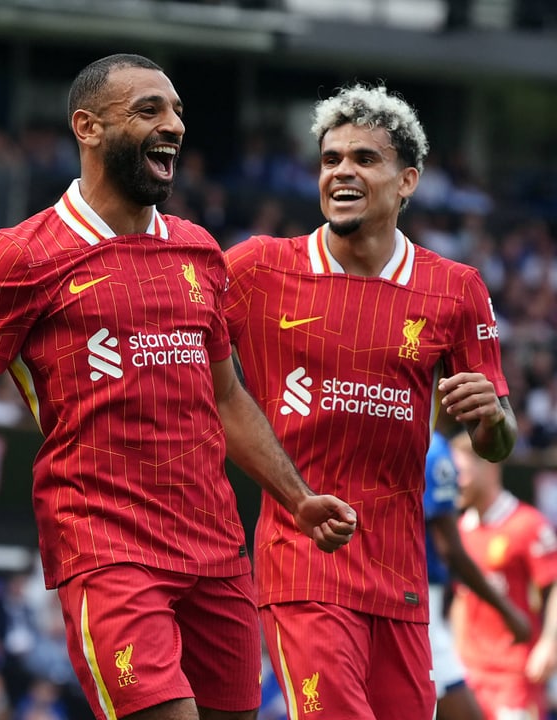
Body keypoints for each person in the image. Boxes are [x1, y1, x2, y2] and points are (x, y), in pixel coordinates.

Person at [0, 53, 357, 720]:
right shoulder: (23, 256)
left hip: (215, 549)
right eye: (150, 109)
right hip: (106, 549)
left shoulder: (199, 251)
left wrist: (296, 500)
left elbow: (227, 398)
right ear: (88, 127)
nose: (175, 125)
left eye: (178, 110)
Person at [221, 82, 518, 720]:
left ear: (407, 181)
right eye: (331, 159)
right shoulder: (257, 269)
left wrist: (492, 418)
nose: (343, 171)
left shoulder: (456, 290)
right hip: (303, 562)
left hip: (401, 577)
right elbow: (176, 335)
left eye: (364, 158)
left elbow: (500, 440)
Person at [425, 413, 531, 720]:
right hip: (420, 608)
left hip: (508, 674)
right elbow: (451, 551)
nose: (462, 480)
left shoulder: (526, 523)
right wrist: (509, 612)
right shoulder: (435, 451)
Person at [450, 428, 557, 720]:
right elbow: (461, 596)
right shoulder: (460, 531)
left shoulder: (528, 524)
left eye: (461, 472)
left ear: (489, 466)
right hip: (469, 675)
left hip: (515, 677)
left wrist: (550, 643)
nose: (456, 483)